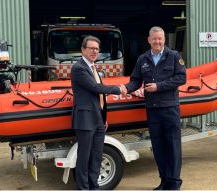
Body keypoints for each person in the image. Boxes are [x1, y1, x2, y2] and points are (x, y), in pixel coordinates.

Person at [121, 26, 186, 190]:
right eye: (154, 38)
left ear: (164, 39)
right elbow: (135, 80)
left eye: (160, 38)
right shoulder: (142, 59)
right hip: (153, 109)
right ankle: (164, 181)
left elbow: (181, 78)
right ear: (149, 40)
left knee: (173, 146)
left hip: (170, 108)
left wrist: (159, 86)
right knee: (158, 147)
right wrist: (124, 89)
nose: (157, 41)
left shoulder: (173, 56)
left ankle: (174, 183)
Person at [71, 35, 126, 190]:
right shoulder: (79, 68)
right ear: (83, 50)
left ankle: (94, 187)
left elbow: (99, 97)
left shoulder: (93, 68)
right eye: (91, 48)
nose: (95, 51)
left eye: (97, 49)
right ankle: (83, 188)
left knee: (96, 156)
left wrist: (103, 117)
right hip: (85, 120)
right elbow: (96, 89)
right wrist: (118, 89)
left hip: (97, 119)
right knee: (84, 158)